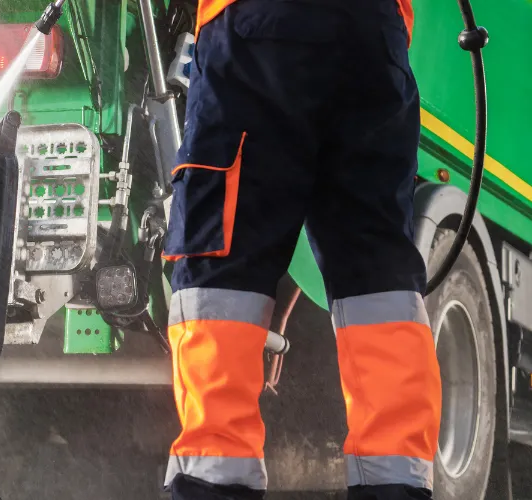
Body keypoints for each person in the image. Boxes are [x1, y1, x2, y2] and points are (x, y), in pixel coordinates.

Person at [160, 0, 442, 497]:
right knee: (378, 279)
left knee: (225, 273)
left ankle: (214, 481)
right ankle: (396, 485)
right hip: (371, 37)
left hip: (253, 31)